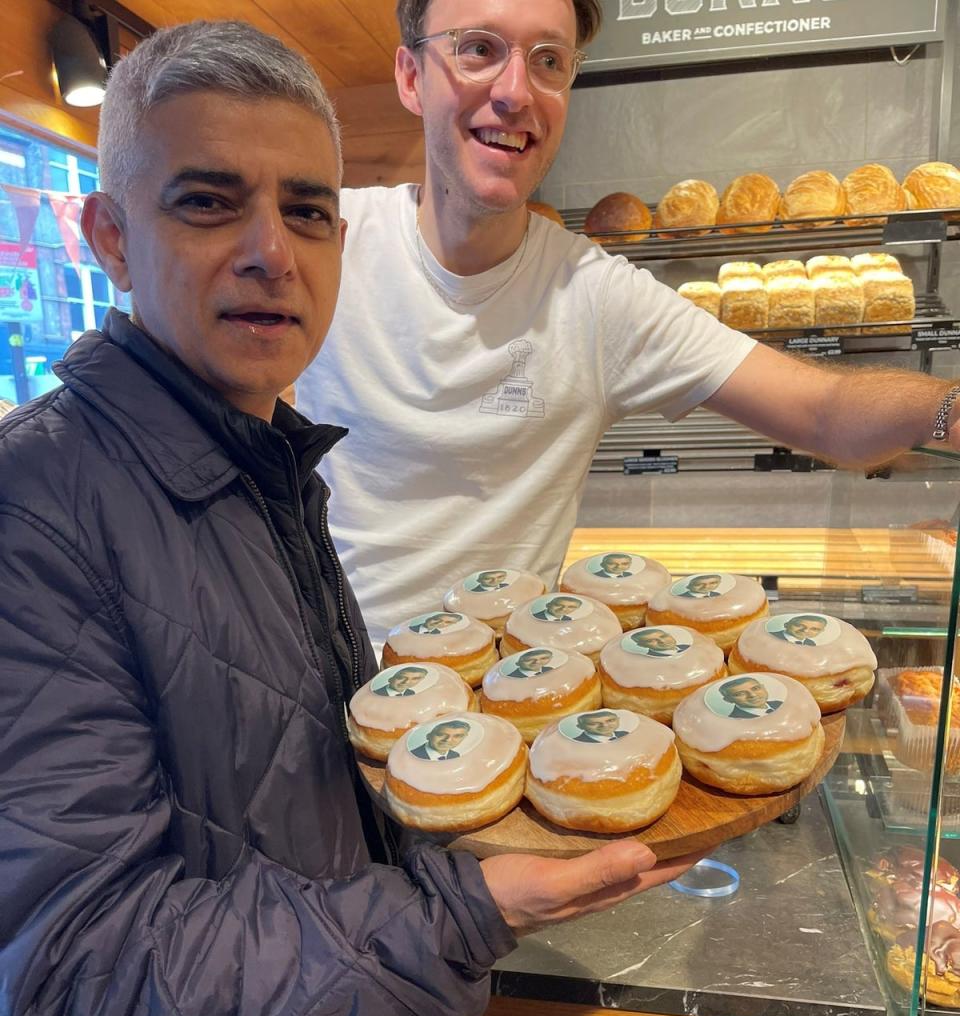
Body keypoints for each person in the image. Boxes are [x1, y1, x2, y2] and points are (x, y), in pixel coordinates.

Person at [0, 21, 703, 1016]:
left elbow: (279, 809)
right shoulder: (33, 510)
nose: (273, 252)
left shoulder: (268, 461)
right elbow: (74, 958)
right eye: (210, 203)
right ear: (107, 237)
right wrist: (457, 910)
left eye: (309, 212)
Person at [296, 0, 960, 651]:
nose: (516, 92)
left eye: (549, 60)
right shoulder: (325, 241)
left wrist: (949, 406)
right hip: (321, 690)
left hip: (503, 715)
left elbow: (824, 411)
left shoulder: (597, 295)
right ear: (412, 77)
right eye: (479, 50)